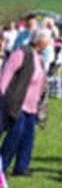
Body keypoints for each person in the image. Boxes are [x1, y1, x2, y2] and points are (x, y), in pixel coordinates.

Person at [0, 29, 49, 176]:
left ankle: (21, 168)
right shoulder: (21, 53)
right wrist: (2, 96)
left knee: (28, 138)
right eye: (47, 41)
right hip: (17, 103)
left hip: (32, 106)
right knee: (15, 134)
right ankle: (2, 165)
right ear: (39, 42)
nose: (48, 44)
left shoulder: (39, 58)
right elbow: (5, 76)